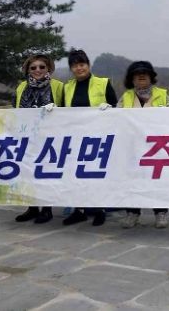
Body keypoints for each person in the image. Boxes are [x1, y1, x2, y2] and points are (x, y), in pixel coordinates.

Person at [62, 49, 118, 227]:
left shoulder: (103, 83)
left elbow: (116, 107)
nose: (79, 68)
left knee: (95, 173)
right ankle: (79, 210)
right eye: (75, 66)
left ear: (88, 65)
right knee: (76, 173)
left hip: (98, 136)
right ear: (71, 69)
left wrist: (109, 108)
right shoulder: (67, 87)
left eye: (82, 64)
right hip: (75, 137)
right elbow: (63, 111)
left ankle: (100, 209)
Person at [117, 61, 169, 229]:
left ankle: (160, 212)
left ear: (151, 77)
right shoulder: (126, 97)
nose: (141, 76)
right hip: (132, 147)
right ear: (131, 79)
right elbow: (117, 120)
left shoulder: (163, 95)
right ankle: (132, 213)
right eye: (137, 74)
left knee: (158, 180)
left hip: (157, 147)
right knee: (132, 181)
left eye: (145, 73)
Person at [13, 54, 64, 224]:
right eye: (33, 67)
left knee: (46, 172)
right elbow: (14, 109)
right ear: (28, 70)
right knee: (28, 172)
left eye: (42, 66)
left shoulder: (58, 86)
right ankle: (32, 208)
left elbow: (67, 109)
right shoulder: (21, 87)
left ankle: (47, 209)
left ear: (48, 68)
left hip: (50, 137)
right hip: (27, 136)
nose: (38, 70)